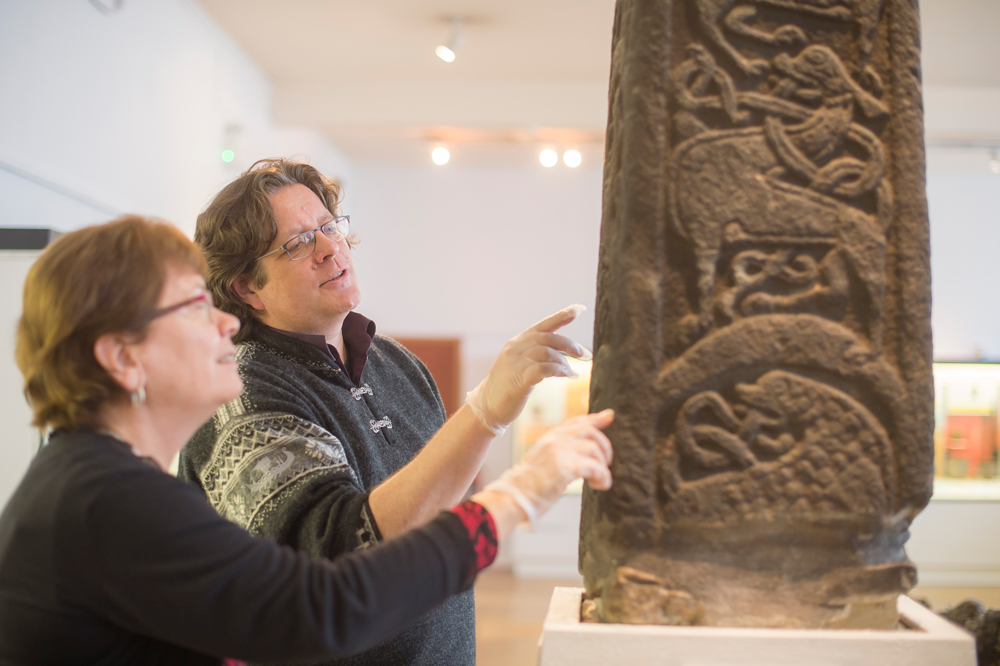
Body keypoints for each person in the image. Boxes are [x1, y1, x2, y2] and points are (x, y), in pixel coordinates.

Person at [0, 216, 614, 665]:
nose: (222, 323)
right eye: (191, 307)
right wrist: (522, 493)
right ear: (121, 358)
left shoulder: (101, 481)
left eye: (329, 226)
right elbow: (322, 607)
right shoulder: (106, 500)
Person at [179, 159, 595, 665]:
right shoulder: (239, 394)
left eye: (329, 227)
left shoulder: (396, 362)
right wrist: (483, 414)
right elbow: (343, 552)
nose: (332, 248)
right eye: (298, 242)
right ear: (248, 288)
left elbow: (440, 508)